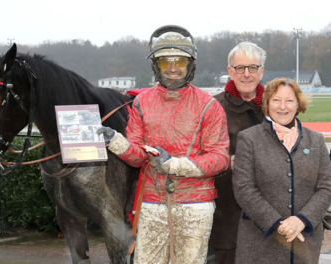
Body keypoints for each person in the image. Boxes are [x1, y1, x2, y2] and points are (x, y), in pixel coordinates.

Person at [97, 25, 230, 264]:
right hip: (152, 203)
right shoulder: (142, 102)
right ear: (155, 66)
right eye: (164, 62)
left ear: (190, 64)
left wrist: (174, 165)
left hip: (196, 204)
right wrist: (116, 142)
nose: (172, 69)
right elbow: (138, 157)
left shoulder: (209, 106)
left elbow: (219, 159)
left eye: (179, 61)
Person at [232, 77, 331, 264]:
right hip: (261, 240)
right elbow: (244, 189)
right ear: (267, 103)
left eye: (289, 100)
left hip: (305, 241)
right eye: (276, 100)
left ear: (298, 104)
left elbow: (326, 187)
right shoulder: (249, 139)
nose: (282, 107)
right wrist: (278, 224)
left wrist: (302, 219)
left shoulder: (316, 140)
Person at [209, 41, 266, 264]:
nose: (246, 74)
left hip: (269, 207)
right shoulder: (214, 106)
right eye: (239, 68)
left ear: (261, 71)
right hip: (227, 209)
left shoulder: (276, 105)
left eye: (252, 67)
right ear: (230, 71)